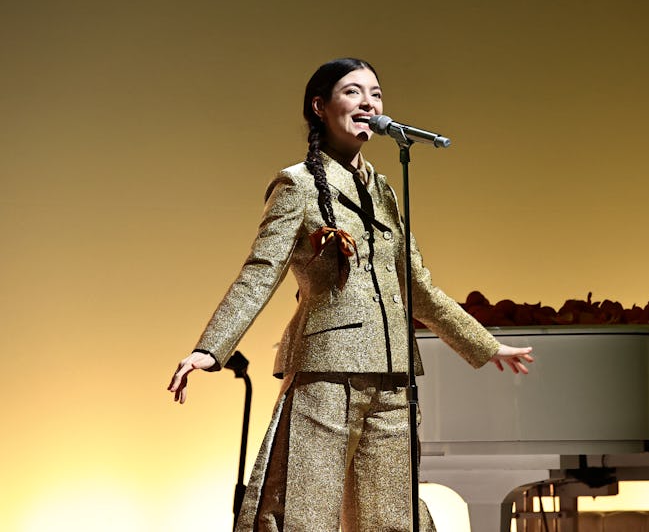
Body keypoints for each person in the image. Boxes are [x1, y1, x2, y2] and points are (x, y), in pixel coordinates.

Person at [167, 57, 534, 532]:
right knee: (306, 514)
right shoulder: (296, 184)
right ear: (320, 107)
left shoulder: (384, 190)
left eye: (376, 93)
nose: (369, 102)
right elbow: (260, 273)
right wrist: (209, 349)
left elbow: (416, 286)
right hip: (326, 371)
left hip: (394, 376)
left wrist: (483, 344)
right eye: (353, 92)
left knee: (392, 521)